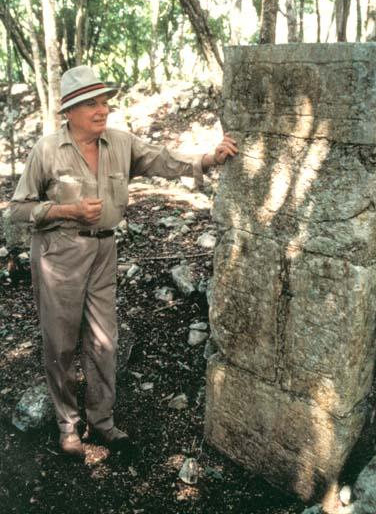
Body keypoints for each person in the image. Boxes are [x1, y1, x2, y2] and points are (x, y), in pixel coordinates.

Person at [9, 65, 237, 457]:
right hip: (58, 254)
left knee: (104, 342)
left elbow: (163, 161)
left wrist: (208, 159)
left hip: (103, 252)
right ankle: (68, 425)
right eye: (91, 104)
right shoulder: (47, 150)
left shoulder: (120, 142)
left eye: (105, 103)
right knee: (60, 344)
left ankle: (102, 422)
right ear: (69, 111)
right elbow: (17, 209)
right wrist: (68, 211)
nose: (103, 111)